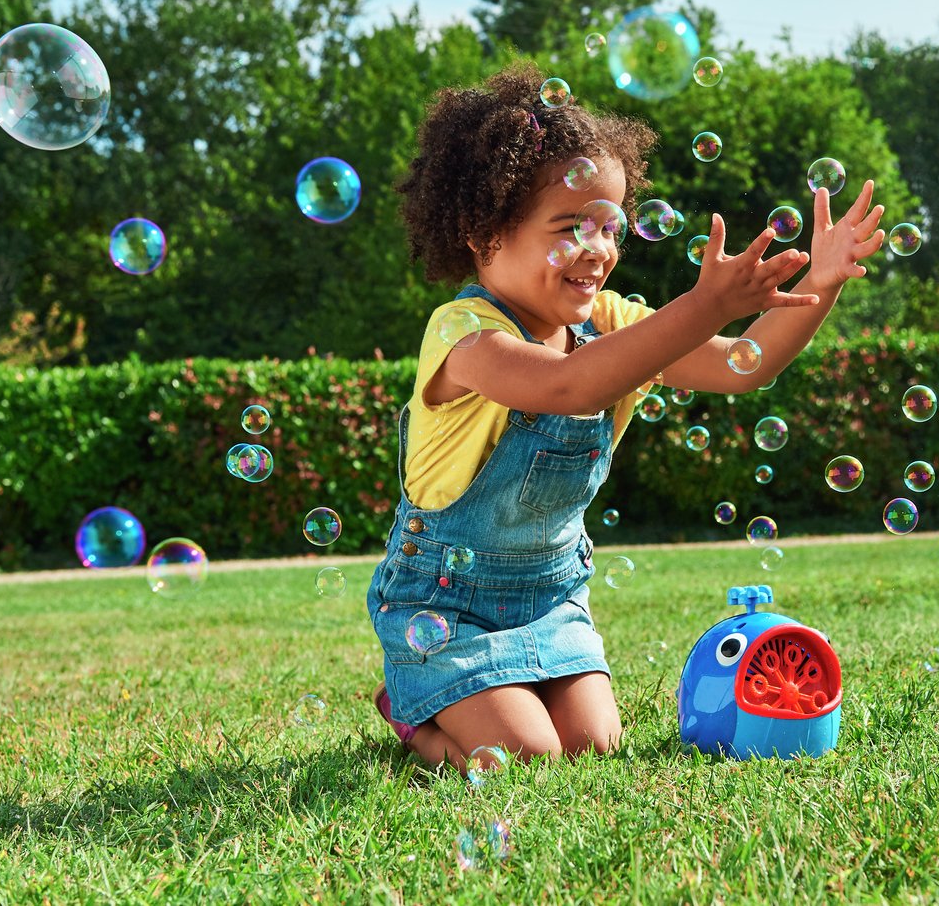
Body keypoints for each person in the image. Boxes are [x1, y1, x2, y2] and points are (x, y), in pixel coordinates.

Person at [368, 63, 886, 770]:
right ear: (483, 232)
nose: (599, 249)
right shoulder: (464, 335)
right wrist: (703, 303)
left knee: (594, 747)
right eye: (569, 227)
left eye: (608, 226)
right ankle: (412, 713)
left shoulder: (609, 322)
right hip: (444, 604)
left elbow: (747, 362)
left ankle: (474, 698)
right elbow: (570, 387)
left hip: (550, 595)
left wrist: (818, 286)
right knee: (530, 755)